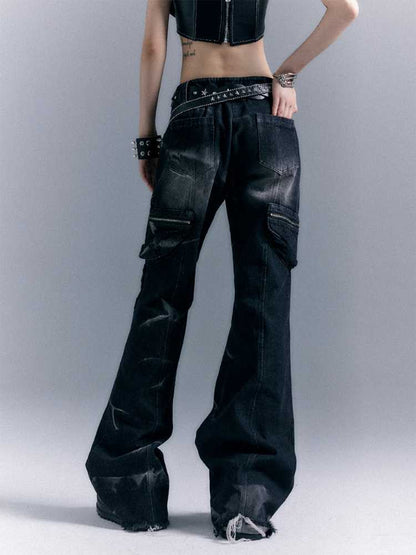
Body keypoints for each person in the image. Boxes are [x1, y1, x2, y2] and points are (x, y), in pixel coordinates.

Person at [85, 0, 359, 543]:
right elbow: (346, 9)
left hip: (194, 120)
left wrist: (146, 137)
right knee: (263, 305)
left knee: (161, 303)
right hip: (266, 119)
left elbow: (153, 46)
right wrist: (286, 74)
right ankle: (246, 499)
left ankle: (130, 487)